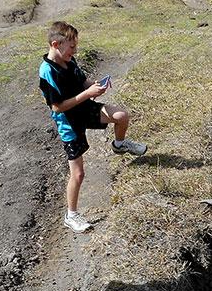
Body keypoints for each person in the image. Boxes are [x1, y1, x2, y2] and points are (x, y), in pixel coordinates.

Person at [39, 21, 147, 233]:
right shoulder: (47, 72)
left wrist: (94, 86)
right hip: (69, 123)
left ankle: (119, 144)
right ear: (55, 44)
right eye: (71, 47)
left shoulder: (68, 61)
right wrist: (86, 94)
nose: (75, 51)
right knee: (78, 174)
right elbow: (58, 107)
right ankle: (71, 215)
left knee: (121, 116)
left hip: (85, 108)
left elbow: (82, 80)